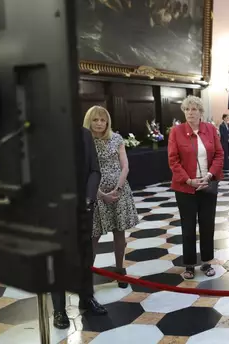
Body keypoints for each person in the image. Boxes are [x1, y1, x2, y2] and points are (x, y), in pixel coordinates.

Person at [52, 127, 107, 329]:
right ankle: (59, 309)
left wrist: (88, 198)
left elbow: (94, 169)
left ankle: (86, 298)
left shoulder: (83, 133)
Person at [168, 95, 224, 279]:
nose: (190, 113)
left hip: (207, 184)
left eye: (194, 109)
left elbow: (219, 154)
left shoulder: (210, 129)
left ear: (201, 112)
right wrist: (189, 180)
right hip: (186, 187)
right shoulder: (176, 132)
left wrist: (209, 176)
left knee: (207, 225)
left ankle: (206, 262)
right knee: (188, 226)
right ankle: (190, 264)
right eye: (187, 109)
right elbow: (173, 160)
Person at [84, 106, 138, 288]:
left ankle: (120, 270)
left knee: (119, 231)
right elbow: (82, 170)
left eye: (103, 120)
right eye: (95, 120)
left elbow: (125, 166)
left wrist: (118, 188)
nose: (99, 123)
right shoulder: (83, 140)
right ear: (89, 121)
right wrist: (100, 194)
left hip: (118, 191)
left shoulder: (116, 138)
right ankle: (87, 274)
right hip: (95, 192)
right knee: (93, 235)